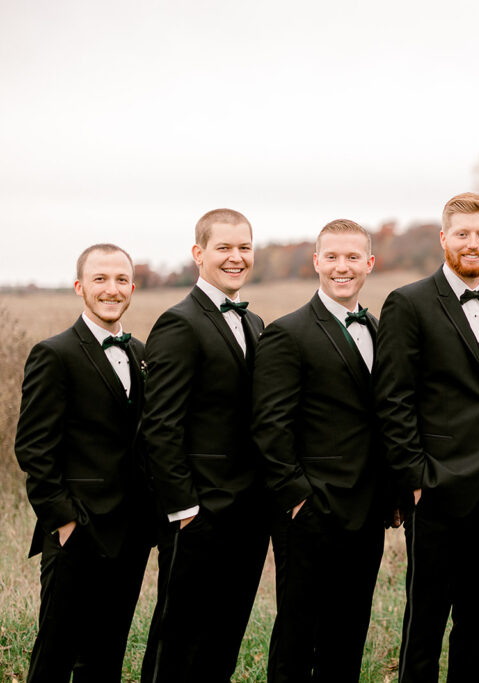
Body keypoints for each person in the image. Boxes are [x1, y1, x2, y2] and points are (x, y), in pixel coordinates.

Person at [374, 192, 479, 681]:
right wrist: (414, 479)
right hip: (435, 491)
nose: (472, 243)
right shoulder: (408, 303)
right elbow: (393, 398)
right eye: (462, 234)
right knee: (426, 621)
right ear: (443, 239)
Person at [252, 219, 396, 682]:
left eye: (353, 257)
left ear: (369, 264)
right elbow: (270, 426)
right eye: (331, 256)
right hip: (310, 514)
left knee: (349, 632)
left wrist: (390, 494)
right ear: (316, 262)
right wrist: (297, 498)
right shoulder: (288, 333)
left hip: (368, 509)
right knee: (298, 633)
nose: (342, 266)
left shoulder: (379, 329)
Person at [15, 244, 154, 682]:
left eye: (120, 280)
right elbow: (33, 447)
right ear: (80, 287)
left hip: (130, 536)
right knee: (54, 659)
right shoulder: (54, 354)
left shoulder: (142, 352)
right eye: (99, 279)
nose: (111, 289)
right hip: (78, 535)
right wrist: (64, 521)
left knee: (105, 659)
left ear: (131, 287)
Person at [140, 208, 269, 682]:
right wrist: (183, 509)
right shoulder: (180, 323)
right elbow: (160, 426)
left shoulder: (254, 324)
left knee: (224, 638)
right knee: (178, 640)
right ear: (199, 254)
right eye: (224, 248)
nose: (236, 258)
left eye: (244, 248)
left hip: (248, 514)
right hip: (198, 515)